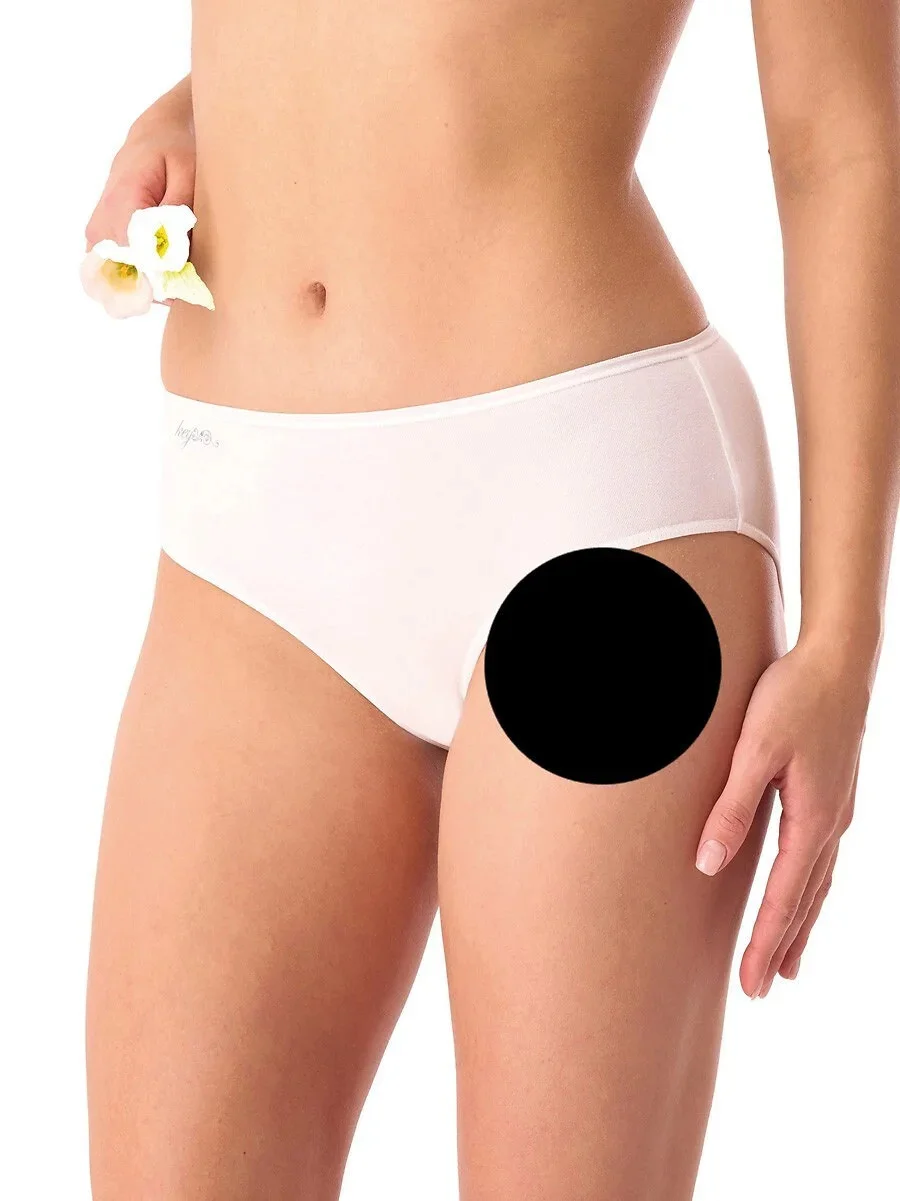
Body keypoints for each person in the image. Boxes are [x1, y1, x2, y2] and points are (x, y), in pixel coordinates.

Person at [81, 4, 900, 1199]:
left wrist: (844, 643)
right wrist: (202, 103)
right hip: (247, 537)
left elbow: (842, 139)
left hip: (587, 513)